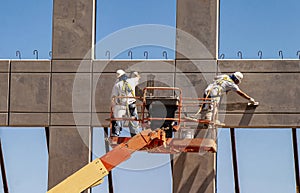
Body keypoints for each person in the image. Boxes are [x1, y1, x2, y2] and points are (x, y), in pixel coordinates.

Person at [200, 72, 257, 137]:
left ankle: (206, 121)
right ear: (236, 79)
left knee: (206, 106)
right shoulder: (232, 84)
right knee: (213, 108)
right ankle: (208, 122)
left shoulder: (224, 76)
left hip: (208, 89)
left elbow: (215, 78)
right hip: (215, 93)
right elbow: (240, 93)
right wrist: (249, 99)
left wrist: (224, 88)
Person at [111, 69, 140, 137]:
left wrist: (114, 106)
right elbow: (138, 77)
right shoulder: (132, 81)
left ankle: (116, 133)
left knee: (118, 118)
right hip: (131, 104)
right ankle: (135, 134)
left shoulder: (117, 85)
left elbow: (114, 97)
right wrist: (136, 73)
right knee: (133, 119)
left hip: (122, 105)